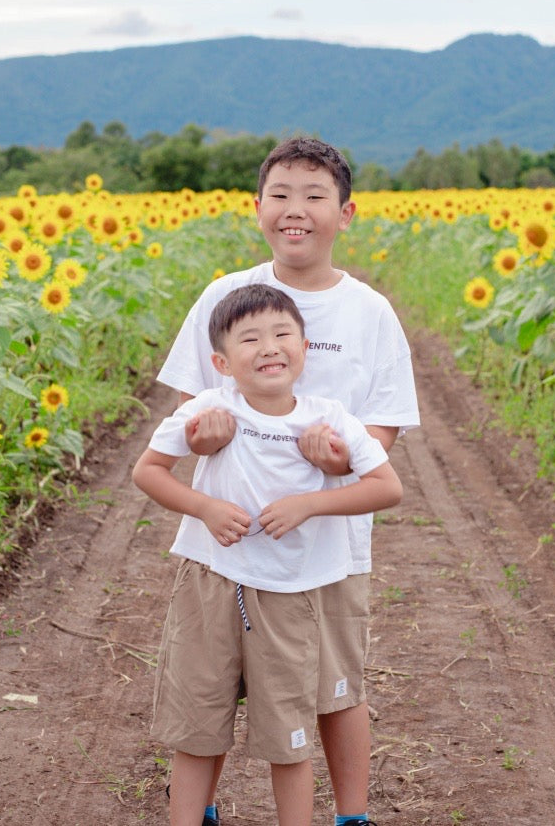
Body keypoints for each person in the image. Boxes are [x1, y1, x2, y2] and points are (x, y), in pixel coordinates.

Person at [156, 137, 420, 826]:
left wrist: (334, 464)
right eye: (281, 195)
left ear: (346, 212)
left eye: (314, 196)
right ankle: (201, 807)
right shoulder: (225, 295)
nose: (295, 210)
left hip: (328, 542)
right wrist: (201, 431)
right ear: (257, 207)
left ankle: (352, 815)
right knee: (211, 684)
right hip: (230, 541)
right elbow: (191, 405)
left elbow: (384, 427)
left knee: (335, 685)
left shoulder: (370, 313)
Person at [135, 283, 403, 826]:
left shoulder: (329, 420)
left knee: (289, 733)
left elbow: (387, 487)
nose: (269, 347)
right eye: (249, 338)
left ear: (306, 349)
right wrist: (205, 507)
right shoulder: (212, 408)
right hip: (211, 579)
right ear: (221, 362)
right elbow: (147, 471)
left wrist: (310, 504)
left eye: (282, 334)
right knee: (198, 719)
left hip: (291, 593)